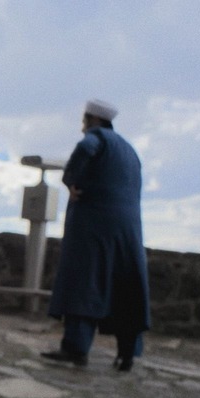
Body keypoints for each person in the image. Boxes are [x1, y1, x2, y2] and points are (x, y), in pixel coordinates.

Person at [42, 99, 150, 372]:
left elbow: (85, 150)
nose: (82, 126)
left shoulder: (96, 138)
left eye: (85, 120)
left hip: (95, 227)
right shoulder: (129, 149)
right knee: (126, 290)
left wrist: (71, 181)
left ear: (94, 121)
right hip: (128, 229)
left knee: (85, 283)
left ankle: (76, 349)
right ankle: (127, 354)